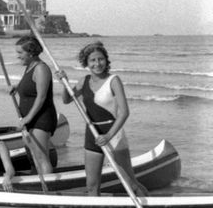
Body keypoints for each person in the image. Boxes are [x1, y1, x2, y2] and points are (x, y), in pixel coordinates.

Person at [55, 41, 148, 196]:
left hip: (113, 135)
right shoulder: (83, 81)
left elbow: (124, 113)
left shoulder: (114, 80)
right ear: (86, 63)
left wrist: (108, 136)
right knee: (91, 186)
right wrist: (63, 83)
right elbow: (66, 100)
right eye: (93, 60)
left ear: (106, 60)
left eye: (101, 59)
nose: (97, 63)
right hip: (92, 134)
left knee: (131, 184)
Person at [9, 35, 57, 175]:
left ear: (30, 52)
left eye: (20, 53)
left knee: (42, 158)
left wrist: (28, 118)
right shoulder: (29, 67)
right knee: (33, 157)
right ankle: (39, 184)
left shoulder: (41, 68)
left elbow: (41, 97)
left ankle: (48, 190)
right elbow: (30, 87)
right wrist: (16, 87)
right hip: (29, 119)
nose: (18, 56)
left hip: (41, 119)